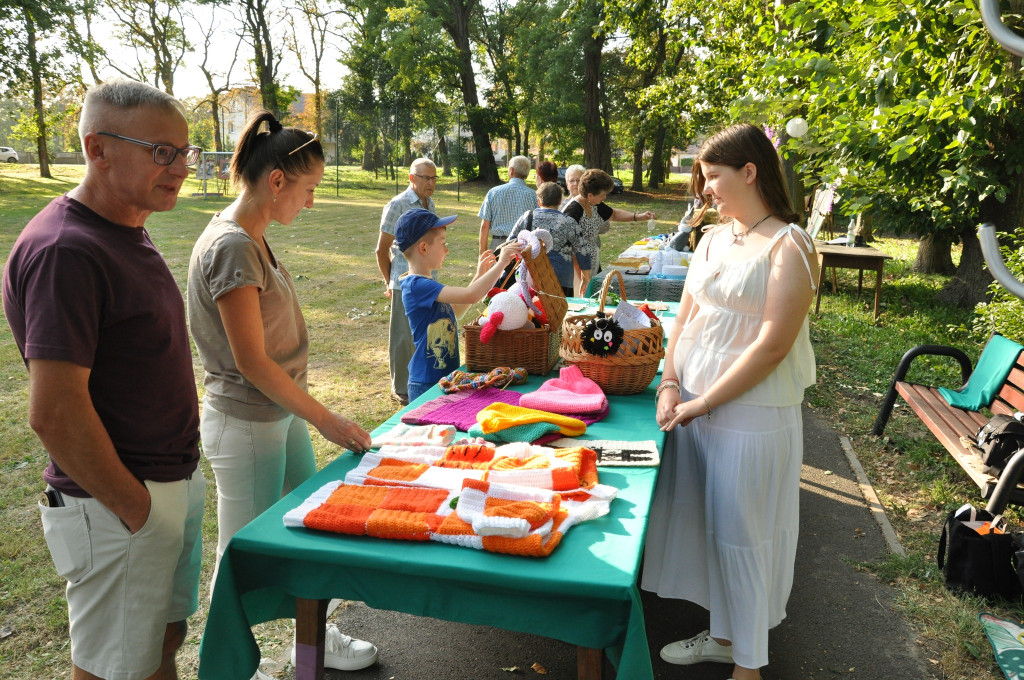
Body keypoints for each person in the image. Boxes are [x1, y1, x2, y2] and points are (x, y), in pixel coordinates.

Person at [1, 80, 206, 680]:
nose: (180, 167)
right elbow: (55, 414)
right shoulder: (67, 249)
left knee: (160, 640)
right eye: (161, 152)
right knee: (112, 667)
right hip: (117, 503)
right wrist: (137, 512)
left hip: (162, 485)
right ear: (98, 148)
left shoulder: (124, 226)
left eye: (184, 151)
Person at [187, 110, 378, 677]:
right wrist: (329, 421)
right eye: (309, 189)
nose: (312, 202)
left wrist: (308, 417)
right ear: (276, 182)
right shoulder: (233, 247)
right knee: (241, 556)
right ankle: (226, 668)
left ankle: (311, 642)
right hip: (246, 424)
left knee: (304, 530)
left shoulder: (254, 239)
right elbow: (251, 361)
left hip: (280, 416)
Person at [642, 123, 818, 680]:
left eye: (712, 177)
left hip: (751, 415)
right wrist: (671, 383)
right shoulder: (716, 238)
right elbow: (685, 317)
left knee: (744, 534)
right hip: (694, 403)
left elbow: (772, 345)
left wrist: (706, 401)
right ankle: (723, 637)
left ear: (750, 171)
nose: (705, 190)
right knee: (708, 525)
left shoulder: (792, 245)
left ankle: (749, 666)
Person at [398, 208, 522, 402]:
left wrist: (479, 274)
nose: (447, 250)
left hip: (444, 377)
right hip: (425, 383)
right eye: (443, 244)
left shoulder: (425, 285)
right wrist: (501, 264)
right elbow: (471, 296)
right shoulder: (417, 285)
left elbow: (456, 310)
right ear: (423, 248)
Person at [376, 158, 440, 406]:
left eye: (434, 179)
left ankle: (422, 382)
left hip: (429, 281)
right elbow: (381, 250)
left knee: (425, 335)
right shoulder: (397, 205)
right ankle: (401, 388)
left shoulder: (429, 203)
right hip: (404, 283)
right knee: (403, 338)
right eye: (426, 178)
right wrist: (389, 282)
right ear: (412, 178)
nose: (431, 183)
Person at [561, 168, 657, 290]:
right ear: (590, 195)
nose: (605, 197)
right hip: (576, 273)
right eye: (603, 195)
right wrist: (584, 275)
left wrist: (639, 217)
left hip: (591, 266)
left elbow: (613, 214)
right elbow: (567, 247)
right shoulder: (573, 211)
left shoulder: (593, 203)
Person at [509, 181, 590, 297]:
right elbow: (583, 252)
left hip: (531, 276)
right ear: (560, 201)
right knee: (560, 312)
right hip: (561, 279)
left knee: (532, 312)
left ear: (539, 200)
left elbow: (510, 243)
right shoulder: (569, 222)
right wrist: (585, 279)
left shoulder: (527, 217)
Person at [478, 155, 538, 254]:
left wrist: (482, 253)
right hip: (522, 247)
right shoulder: (533, 196)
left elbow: (485, 226)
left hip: (498, 246)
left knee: (497, 270)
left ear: (511, 170)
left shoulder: (493, 192)